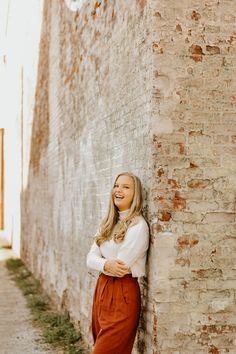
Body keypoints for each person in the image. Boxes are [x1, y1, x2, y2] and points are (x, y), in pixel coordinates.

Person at [86, 172, 150, 354]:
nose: (118, 190)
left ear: (135, 194)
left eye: (126, 187)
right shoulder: (107, 223)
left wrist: (102, 263)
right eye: (116, 185)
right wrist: (106, 265)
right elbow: (89, 258)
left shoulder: (138, 226)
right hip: (102, 288)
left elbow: (120, 267)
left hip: (123, 292)